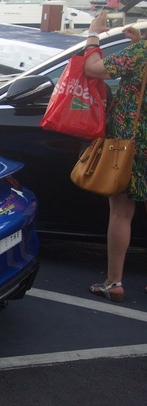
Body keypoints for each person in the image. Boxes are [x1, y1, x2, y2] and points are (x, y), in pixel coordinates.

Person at [83, 11, 147, 302]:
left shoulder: (141, 52)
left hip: (132, 141)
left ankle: (114, 282)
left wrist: (93, 34)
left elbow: (93, 68)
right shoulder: (140, 50)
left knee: (121, 212)